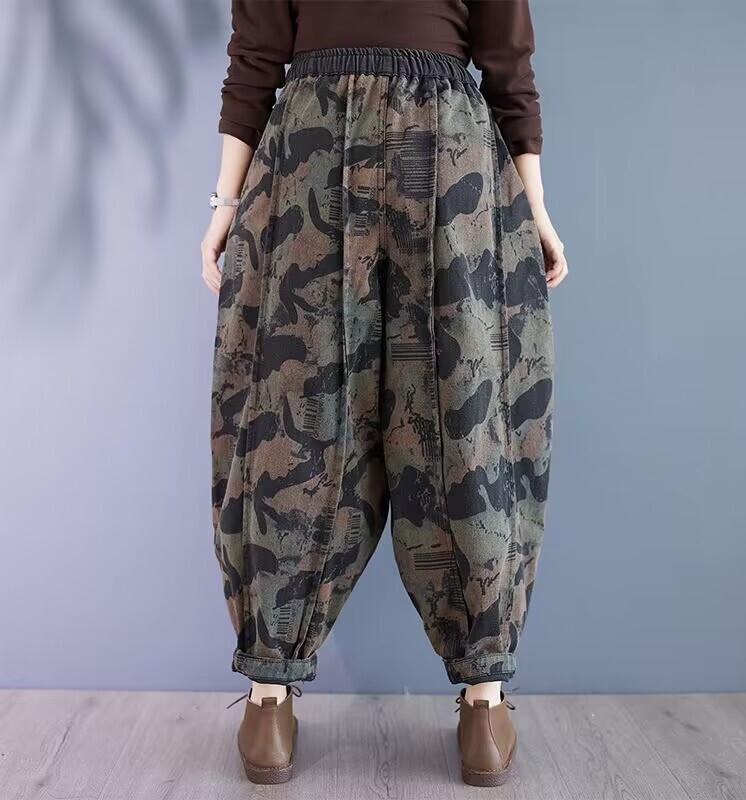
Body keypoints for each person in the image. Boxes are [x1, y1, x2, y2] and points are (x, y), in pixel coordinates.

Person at [200, 0, 567, 787]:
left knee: (295, 409)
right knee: (462, 412)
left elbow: (256, 58)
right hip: (444, 151)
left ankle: (270, 699)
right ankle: (484, 702)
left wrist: (226, 203)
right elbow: (507, 64)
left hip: (312, 148)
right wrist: (534, 206)